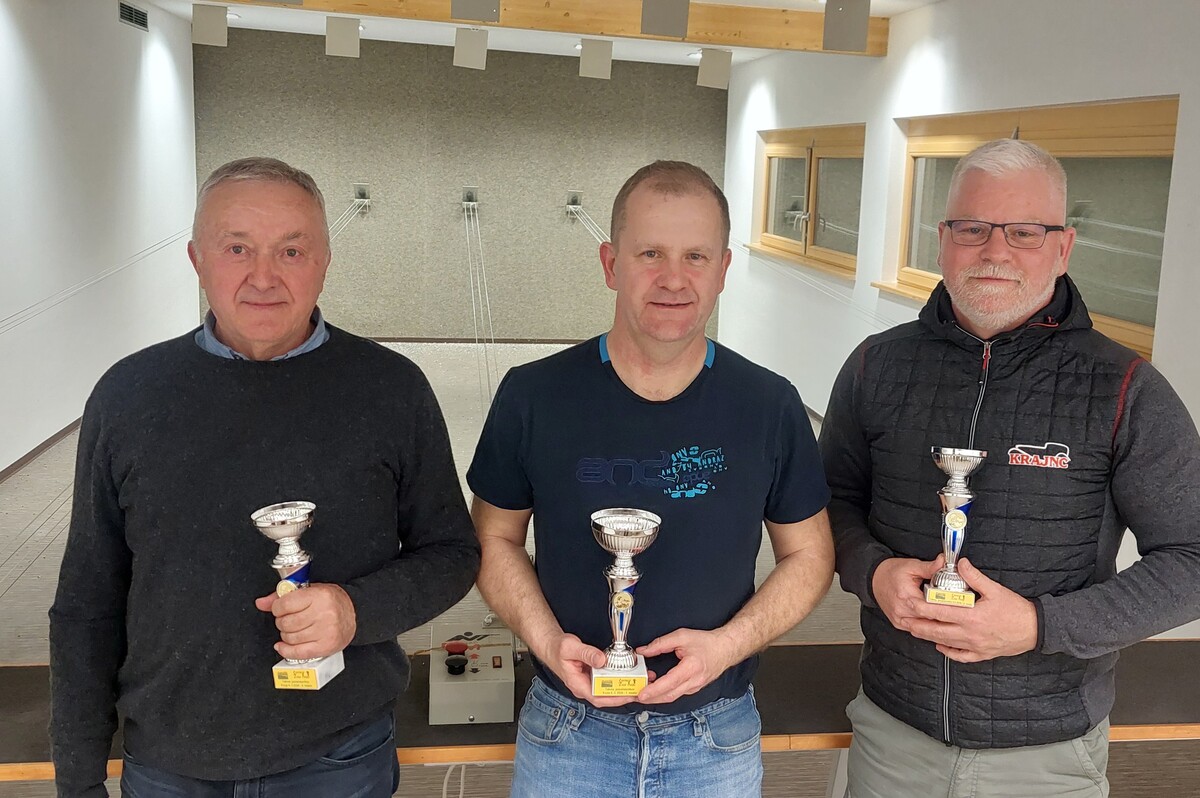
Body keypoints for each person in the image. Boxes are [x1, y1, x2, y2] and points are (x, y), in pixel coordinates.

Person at [49, 157, 481, 797]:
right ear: (197, 259)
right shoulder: (128, 397)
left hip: (339, 758)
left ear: (325, 261)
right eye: (237, 249)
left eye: (291, 250)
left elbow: (451, 553)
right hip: (171, 763)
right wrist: (78, 780)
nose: (263, 276)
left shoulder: (391, 390)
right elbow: (88, 600)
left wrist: (355, 610)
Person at [819, 138, 1200, 798]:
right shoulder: (875, 366)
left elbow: (1192, 557)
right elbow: (827, 503)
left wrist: (1039, 626)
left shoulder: (1124, 387)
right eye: (973, 228)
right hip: (892, 731)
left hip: (1047, 753)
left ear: (1063, 247)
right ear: (943, 240)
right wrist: (872, 572)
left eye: (1025, 231)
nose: (995, 251)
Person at [468, 160, 835, 798]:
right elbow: (492, 538)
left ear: (723, 270)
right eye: (650, 253)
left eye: (696, 256)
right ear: (611, 264)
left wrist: (727, 646)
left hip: (715, 735)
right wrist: (548, 642)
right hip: (568, 730)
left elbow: (810, 555)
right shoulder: (533, 395)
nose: (673, 278)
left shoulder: (769, 404)